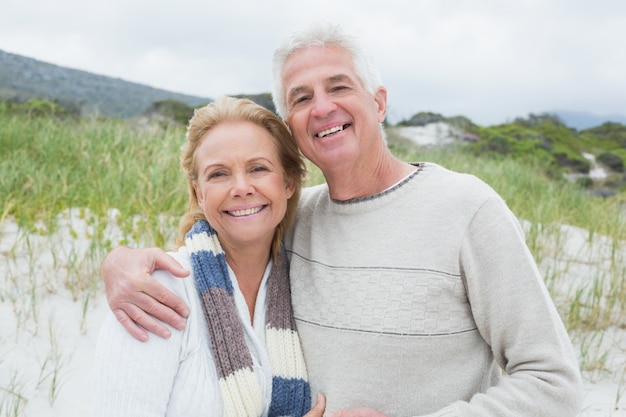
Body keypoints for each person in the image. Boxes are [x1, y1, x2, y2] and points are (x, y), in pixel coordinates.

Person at [101, 23, 584, 417]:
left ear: (378, 101)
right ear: (290, 124)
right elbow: (221, 237)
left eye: (339, 87)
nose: (323, 107)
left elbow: (553, 383)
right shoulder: (292, 219)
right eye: (301, 97)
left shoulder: (467, 209)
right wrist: (120, 262)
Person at [93, 96, 327, 417]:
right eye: (218, 174)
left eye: (258, 168)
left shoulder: (301, 282)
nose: (241, 188)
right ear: (199, 193)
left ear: (288, 182)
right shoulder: (157, 294)